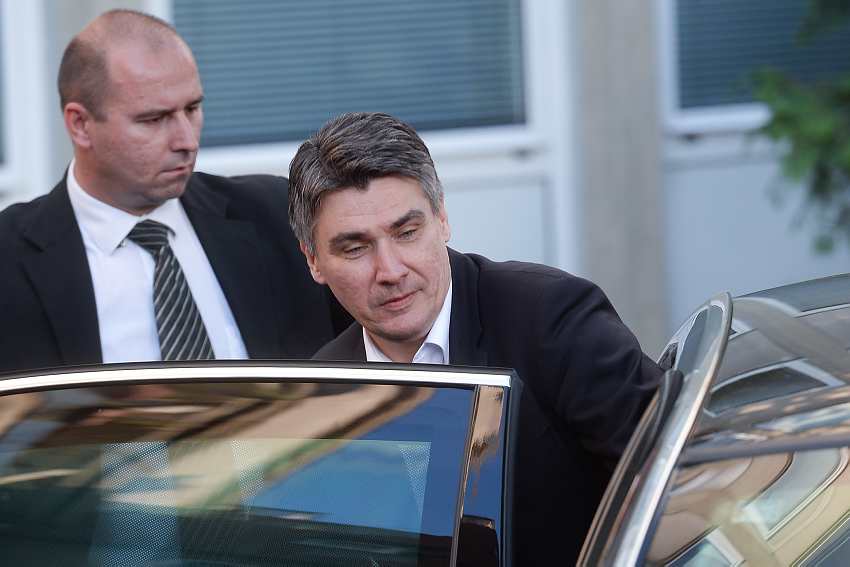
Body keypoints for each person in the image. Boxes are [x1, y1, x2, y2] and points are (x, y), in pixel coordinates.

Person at [288, 111, 662, 564]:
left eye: (407, 233)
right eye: (355, 248)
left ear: (442, 219)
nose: (390, 270)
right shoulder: (317, 391)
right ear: (313, 261)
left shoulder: (550, 317)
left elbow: (673, 482)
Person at [0, 10, 348, 374]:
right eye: (153, 119)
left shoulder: (278, 214)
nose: (186, 140)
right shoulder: (8, 258)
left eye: (192, 108)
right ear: (80, 124)